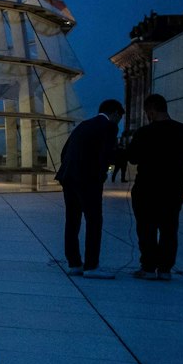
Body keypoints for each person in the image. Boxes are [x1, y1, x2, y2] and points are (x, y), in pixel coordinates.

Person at [126, 93, 183, 280]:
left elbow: (132, 158)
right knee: (169, 230)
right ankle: (165, 269)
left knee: (146, 229)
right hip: (172, 189)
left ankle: (148, 267)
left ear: (151, 111)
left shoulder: (144, 133)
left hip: (146, 189)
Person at [57, 99, 123, 278]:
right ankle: (91, 265)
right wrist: (101, 174)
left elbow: (64, 152)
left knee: (72, 220)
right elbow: (107, 155)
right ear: (115, 113)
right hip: (88, 180)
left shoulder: (83, 125)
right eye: (119, 117)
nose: (119, 122)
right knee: (94, 221)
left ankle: (74, 263)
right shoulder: (109, 127)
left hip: (69, 177)